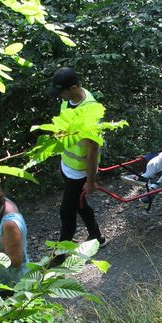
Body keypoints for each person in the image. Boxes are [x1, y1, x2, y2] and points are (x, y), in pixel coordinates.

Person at [47, 67, 106, 255]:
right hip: (67, 165)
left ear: (73, 87)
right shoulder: (69, 100)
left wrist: (91, 181)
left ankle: (60, 254)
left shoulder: (90, 110)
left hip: (79, 171)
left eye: (62, 92)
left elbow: (92, 151)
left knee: (66, 211)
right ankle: (96, 237)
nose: (60, 97)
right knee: (79, 205)